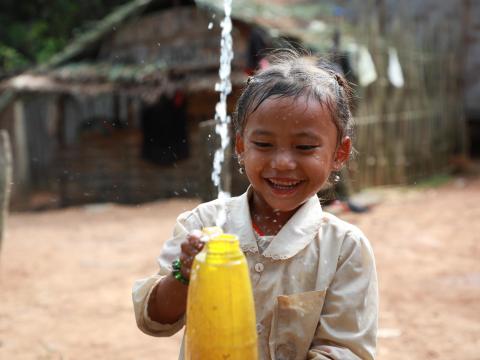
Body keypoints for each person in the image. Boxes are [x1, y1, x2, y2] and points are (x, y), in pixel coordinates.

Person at [132, 50, 378, 360]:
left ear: (339, 154)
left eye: (304, 147)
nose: (283, 163)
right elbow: (155, 320)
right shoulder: (202, 224)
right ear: (240, 146)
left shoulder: (344, 249)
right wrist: (185, 275)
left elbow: (346, 351)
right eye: (263, 144)